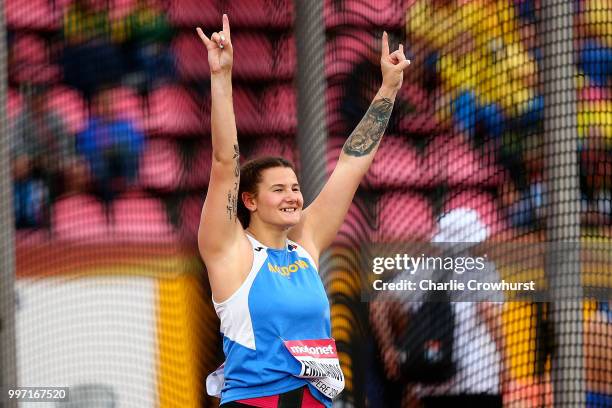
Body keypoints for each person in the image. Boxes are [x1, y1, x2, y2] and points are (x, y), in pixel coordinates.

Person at [196, 14, 410, 407]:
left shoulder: (305, 243)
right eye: (278, 189)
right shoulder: (231, 252)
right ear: (250, 200)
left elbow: (351, 163)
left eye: (295, 188)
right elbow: (226, 164)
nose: (294, 197)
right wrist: (221, 78)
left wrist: (388, 90)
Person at [369, 208, 507, 408]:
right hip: (479, 383)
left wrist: (389, 348)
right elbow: (488, 312)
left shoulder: (422, 272)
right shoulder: (481, 270)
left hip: (431, 383)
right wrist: (506, 367)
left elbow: (378, 306)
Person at [11, 85, 89, 228]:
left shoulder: (55, 118)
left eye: (41, 99)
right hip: (31, 162)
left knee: (77, 169)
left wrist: (60, 160)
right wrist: (35, 159)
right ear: (29, 101)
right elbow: (16, 147)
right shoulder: (19, 120)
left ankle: (70, 212)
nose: (39, 102)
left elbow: (66, 144)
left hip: (53, 160)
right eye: (35, 99)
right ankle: (24, 211)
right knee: (19, 165)